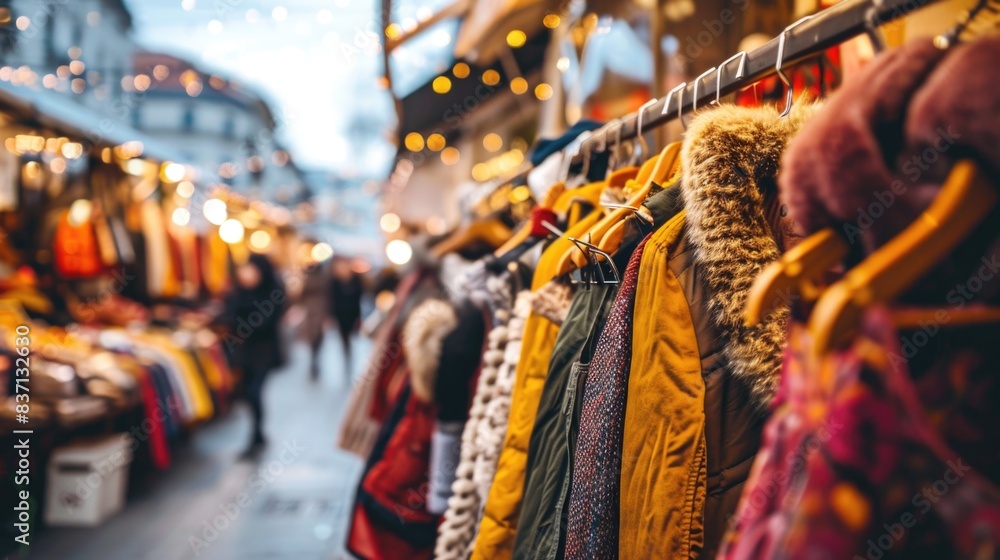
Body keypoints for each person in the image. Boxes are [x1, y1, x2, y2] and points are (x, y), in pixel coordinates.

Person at [220, 253, 286, 457]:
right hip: (243, 351)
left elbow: (264, 323)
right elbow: (228, 315)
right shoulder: (238, 291)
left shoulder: (273, 291)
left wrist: (239, 324)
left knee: (254, 391)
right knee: (247, 393)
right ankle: (258, 434)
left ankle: (256, 435)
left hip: (264, 351)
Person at [296, 259, 330, 380]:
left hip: (311, 312)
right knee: (318, 337)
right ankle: (315, 358)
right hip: (320, 311)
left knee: (312, 337)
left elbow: (300, 295)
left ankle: (313, 358)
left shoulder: (308, 279)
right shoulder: (324, 279)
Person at [329, 257, 363, 376]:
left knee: (350, 336)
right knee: (344, 337)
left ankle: (349, 356)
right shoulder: (335, 281)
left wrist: (359, 316)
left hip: (352, 313)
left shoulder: (356, 280)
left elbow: (358, 298)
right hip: (340, 314)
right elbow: (332, 299)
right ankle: (346, 355)